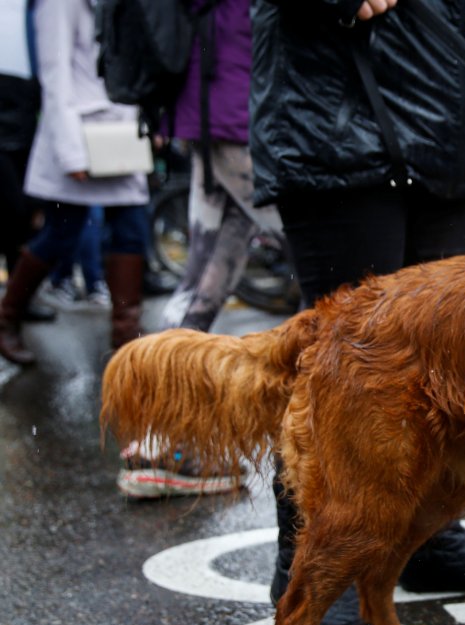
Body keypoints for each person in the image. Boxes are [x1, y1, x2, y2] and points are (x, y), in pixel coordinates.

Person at [251, 0, 465, 625]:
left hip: (451, 138)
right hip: (337, 130)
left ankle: (430, 543)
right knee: (341, 378)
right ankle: (300, 560)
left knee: (454, 378)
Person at [118, 0, 284, 499]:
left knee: (203, 283)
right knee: (328, 261)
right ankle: (165, 442)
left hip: (215, 112)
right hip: (236, 113)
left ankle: (160, 442)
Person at [0, 0, 150, 367]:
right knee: (60, 234)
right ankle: (6, 319)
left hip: (120, 134)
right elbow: (55, 75)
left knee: (131, 230)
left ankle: (126, 341)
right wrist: (71, 153)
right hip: (78, 137)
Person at [0, 0, 56, 326]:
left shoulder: (32, 9)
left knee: (22, 214)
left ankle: (18, 300)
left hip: (24, 114)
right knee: (13, 209)